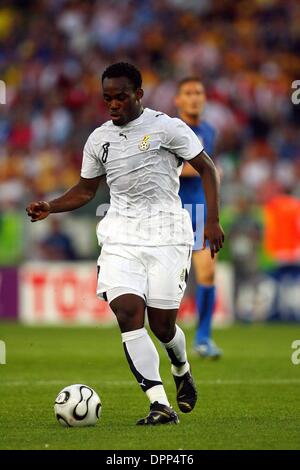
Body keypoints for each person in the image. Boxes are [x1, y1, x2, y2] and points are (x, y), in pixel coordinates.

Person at [26, 63, 224, 425]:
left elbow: (207, 167)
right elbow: (87, 190)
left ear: (138, 95)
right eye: (107, 98)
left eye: (120, 97)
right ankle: (159, 403)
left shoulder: (167, 127)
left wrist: (211, 221)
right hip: (120, 235)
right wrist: (51, 206)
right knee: (128, 314)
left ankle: (181, 367)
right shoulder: (98, 139)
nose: (113, 104)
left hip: (166, 233)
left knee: (162, 326)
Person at [175, 77, 223, 359]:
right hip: (169, 212)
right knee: (165, 279)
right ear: (178, 100)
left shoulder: (209, 130)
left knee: (207, 272)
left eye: (199, 92)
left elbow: (207, 172)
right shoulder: (171, 130)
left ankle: (203, 338)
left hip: (198, 212)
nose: (194, 97)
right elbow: (173, 170)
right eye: (188, 93)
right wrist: (209, 171)